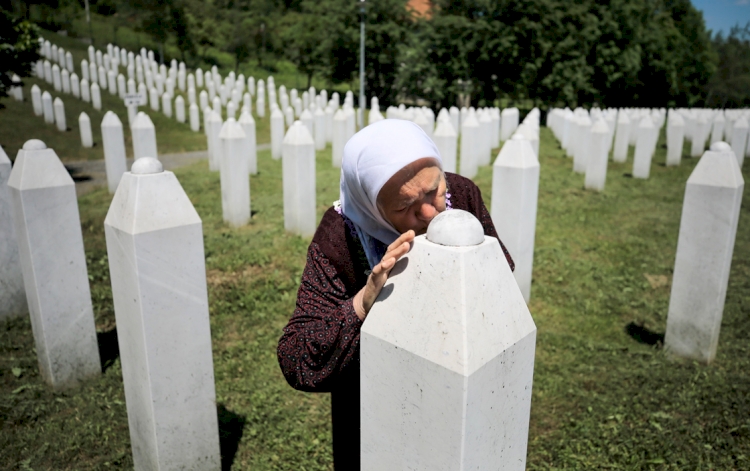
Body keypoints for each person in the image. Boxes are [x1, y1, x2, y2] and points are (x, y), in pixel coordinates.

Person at [277, 119, 514, 469]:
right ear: (371, 207)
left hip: (455, 393)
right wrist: (364, 301)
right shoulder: (339, 236)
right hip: (376, 411)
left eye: (434, 190)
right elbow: (297, 359)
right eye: (404, 207)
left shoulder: (460, 194)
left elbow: (500, 271)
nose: (431, 213)